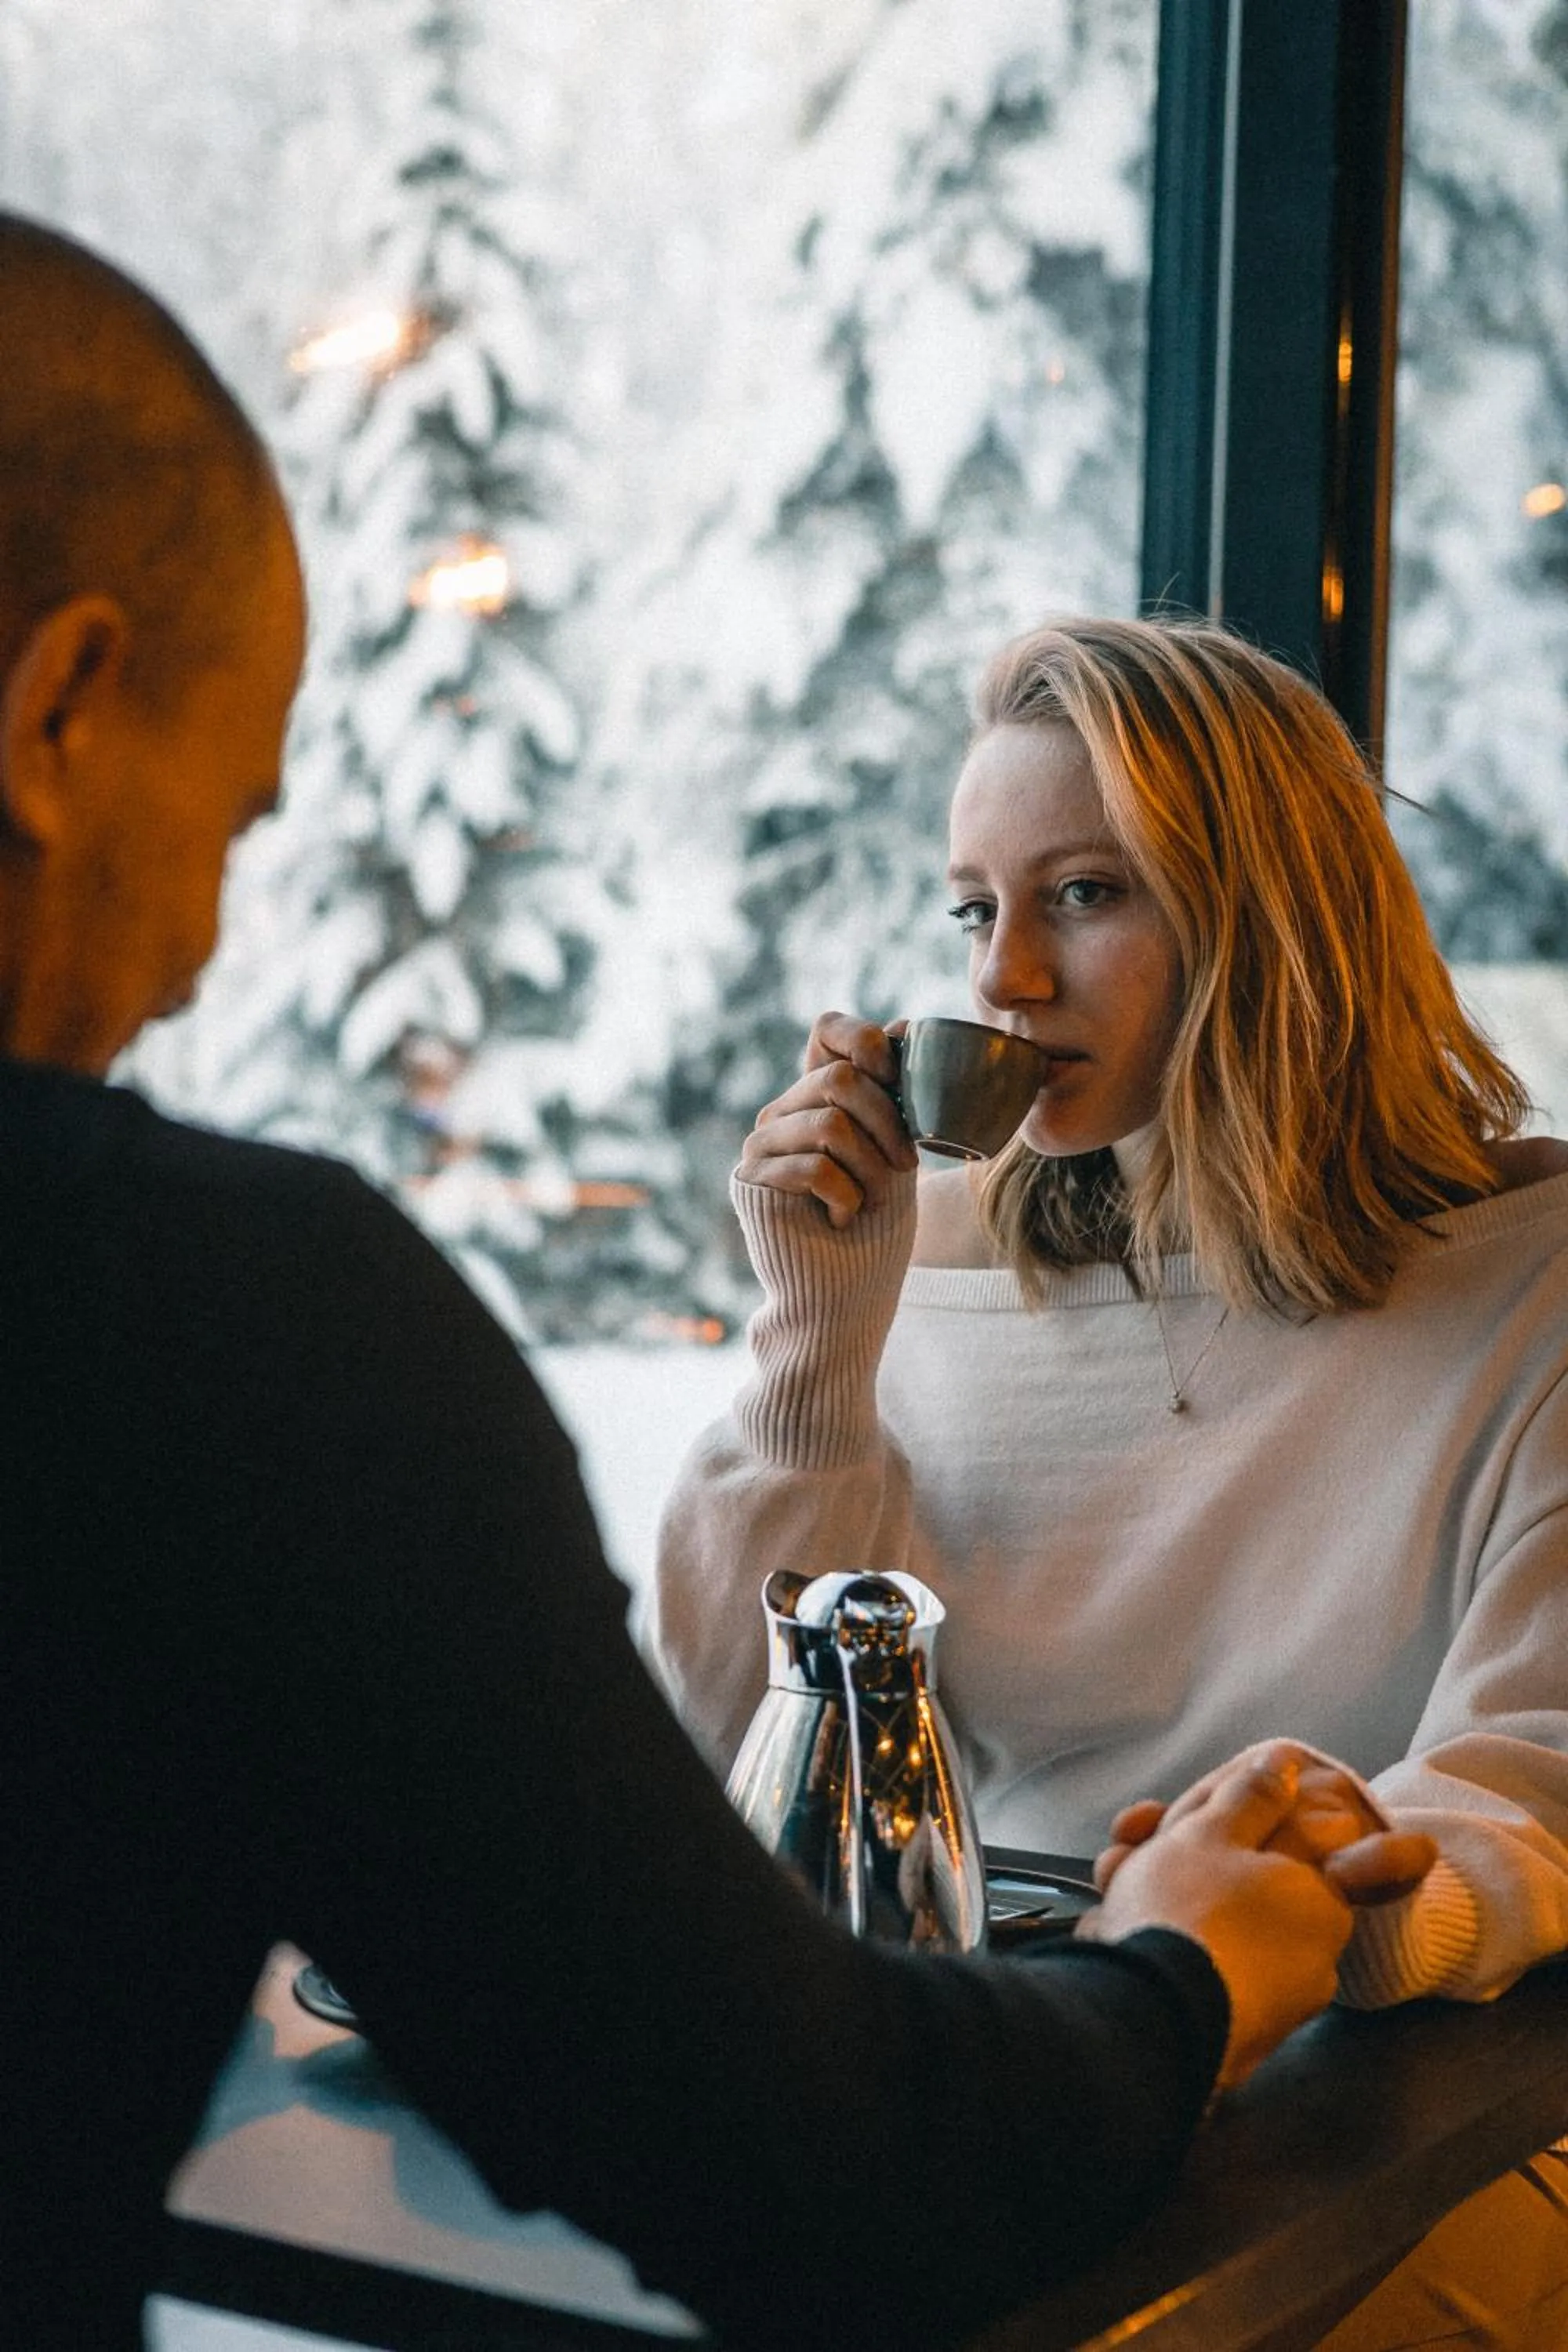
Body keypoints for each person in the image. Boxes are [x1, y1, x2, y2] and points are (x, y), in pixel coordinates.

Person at [0, 216, 1432, 2352]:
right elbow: (817, 2157)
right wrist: (1187, 1963)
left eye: (1087, 897)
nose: (206, 953)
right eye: (237, 817)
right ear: (60, 715)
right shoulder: (223, 1337)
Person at [650, 613, 1568, 2345]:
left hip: (1396, 2120)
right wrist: (811, 1351)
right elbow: (723, 1745)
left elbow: (1540, 1781)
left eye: (1084, 894)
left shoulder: (1531, 1286)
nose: (1000, 979)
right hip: (1011, 2079)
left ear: (1270, 918)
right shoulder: (914, 1260)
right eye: (973, 909)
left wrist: (1338, 1898)